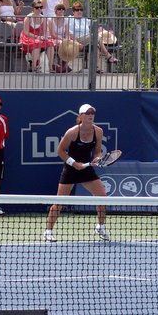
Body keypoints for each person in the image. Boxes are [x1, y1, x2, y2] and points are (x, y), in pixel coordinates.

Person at [45, 104, 109, 242]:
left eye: (93, 113)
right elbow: (60, 151)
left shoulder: (98, 131)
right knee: (59, 202)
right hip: (70, 169)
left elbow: (97, 151)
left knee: (102, 196)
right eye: (87, 113)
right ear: (80, 116)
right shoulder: (72, 132)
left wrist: (97, 158)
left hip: (86, 169)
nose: (91, 115)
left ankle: (101, 226)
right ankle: (48, 231)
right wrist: (74, 163)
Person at [67, 1, 118, 72]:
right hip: (77, 40)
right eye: (77, 10)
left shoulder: (85, 20)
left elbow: (97, 27)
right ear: (73, 12)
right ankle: (109, 56)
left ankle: (96, 68)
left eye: (81, 10)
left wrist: (107, 31)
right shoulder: (70, 20)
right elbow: (71, 35)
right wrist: (77, 43)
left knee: (96, 45)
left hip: (88, 39)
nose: (79, 11)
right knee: (96, 37)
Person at [19, 0, 55, 73]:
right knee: (37, 43)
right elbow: (26, 32)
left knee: (51, 43)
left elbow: (45, 31)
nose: (39, 9)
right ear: (33, 8)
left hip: (39, 37)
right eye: (37, 7)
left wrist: (45, 37)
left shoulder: (43, 18)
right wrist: (37, 37)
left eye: (41, 7)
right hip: (28, 37)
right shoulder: (28, 18)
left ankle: (50, 67)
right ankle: (34, 67)